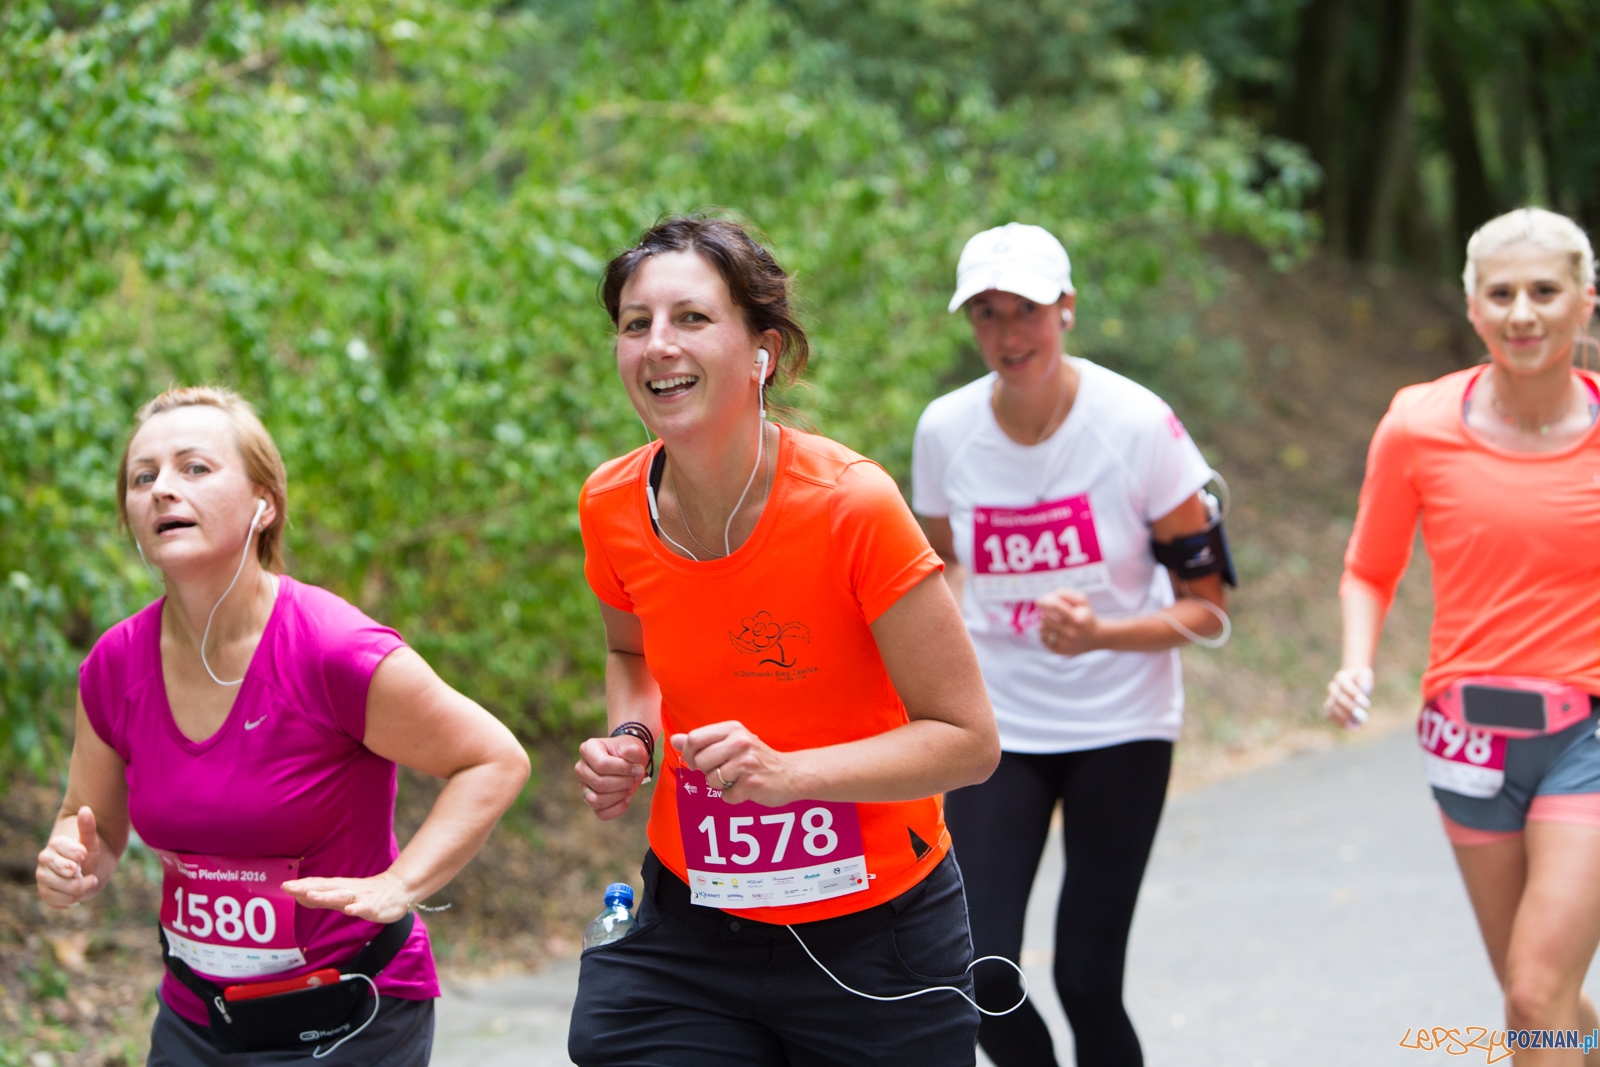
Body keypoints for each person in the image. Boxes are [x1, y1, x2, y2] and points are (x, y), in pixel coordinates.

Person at [567, 215, 1002, 1067]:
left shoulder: (851, 506)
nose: (658, 344)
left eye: (693, 317)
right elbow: (631, 653)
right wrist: (633, 738)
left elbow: (968, 740)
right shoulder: (610, 505)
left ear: (762, 351)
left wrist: (789, 775)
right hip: (694, 920)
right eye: (635, 322)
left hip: (875, 934)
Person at [34, 386, 530, 1065]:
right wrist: (72, 858)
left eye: (194, 467)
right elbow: (88, 821)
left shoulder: (333, 650)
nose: (162, 489)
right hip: (197, 1021)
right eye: (143, 477)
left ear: (263, 504)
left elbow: (494, 759)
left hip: (348, 1016)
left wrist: (401, 883)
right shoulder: (115, 665)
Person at [912, 223, 1233, 1067]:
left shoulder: (1139, 425)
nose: (1008, 333)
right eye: (986, 313)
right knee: (977, 971)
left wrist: (1101, 633)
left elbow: (1207, 608)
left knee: (1088, 978)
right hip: (999, 728)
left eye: (1026, 309)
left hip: (1121, 725)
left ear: (1067, 309)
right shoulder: (945, 430)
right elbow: (941, 564)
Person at [1325, 207, 1600, 1066]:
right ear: (1474, 307)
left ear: (1585, 302)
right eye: (1502, 293)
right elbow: (1370, 568)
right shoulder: (1417, 423)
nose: (1523, 312)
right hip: (1467, 738)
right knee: (1539, 1002)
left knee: (1535, 991)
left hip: (1589, 733)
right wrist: (1356, 663)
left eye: (1545, 291)